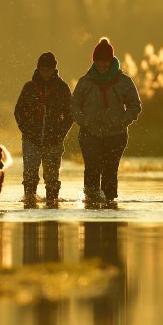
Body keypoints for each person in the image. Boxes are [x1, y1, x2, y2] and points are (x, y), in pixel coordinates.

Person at [71, 38, 141, 203]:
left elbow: (135, 106)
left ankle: (109, 204)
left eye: (105, 61)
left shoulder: (124, 82)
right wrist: (84, 122)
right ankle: (91, 202)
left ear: (111, 61)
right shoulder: (85, 81)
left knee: (110, 170)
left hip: (116, 134)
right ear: (94, 61)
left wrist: (122, 122)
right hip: (89, 133)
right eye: (98, 61)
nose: (101, 64)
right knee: (92, 168)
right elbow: (74, 106)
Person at [14, 52, 74, 208]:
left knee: (52, 178)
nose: (45, 72)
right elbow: (19, 111)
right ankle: (29, 204)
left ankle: (52, 206)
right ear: (38, 69)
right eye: (42, 69)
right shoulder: (29, 87)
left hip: (54, 141)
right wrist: (26, 130)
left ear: (54, 70)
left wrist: (60, 135)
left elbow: (70, 115)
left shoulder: (62, 88)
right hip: (31, 140)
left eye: (47, 70)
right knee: (29, 176)